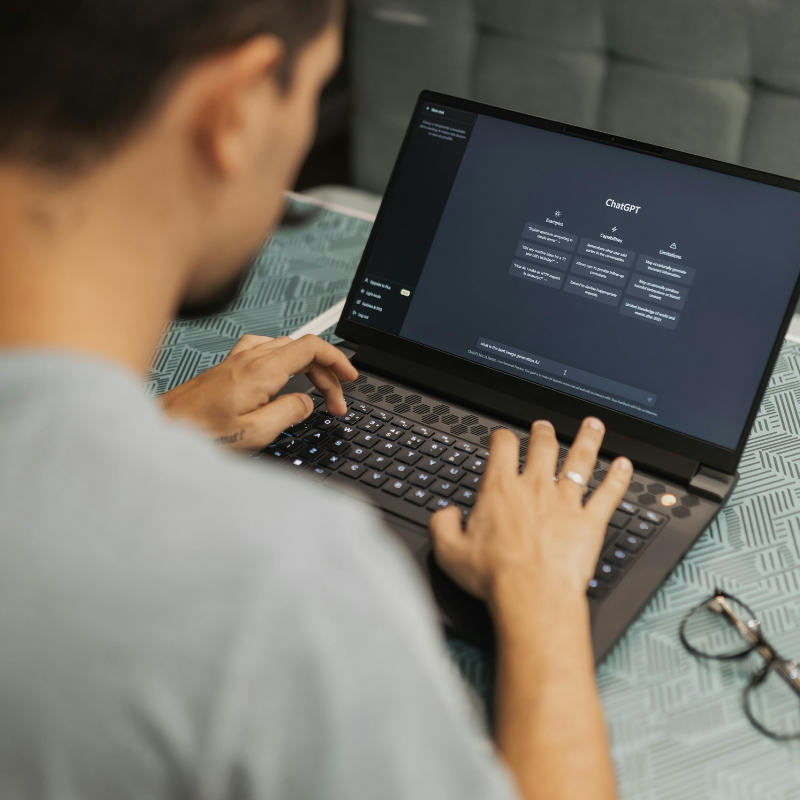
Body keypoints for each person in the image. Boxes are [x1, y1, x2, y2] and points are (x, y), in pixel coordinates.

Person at [0, 2, 633, 799]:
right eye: (315, 89)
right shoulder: (282, 581)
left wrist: (160, 436)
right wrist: (542, 604)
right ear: (236, 107)